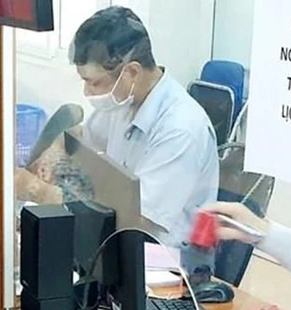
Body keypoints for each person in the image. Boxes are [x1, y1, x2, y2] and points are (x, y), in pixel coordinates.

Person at [17, 7, 219, 247]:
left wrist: (39, 192)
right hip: (114, 244)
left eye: (95, 82)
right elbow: (85, 134)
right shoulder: (126, 101)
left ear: (131, 72)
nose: (87, 92)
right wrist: (58, 146)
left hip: (163, 261)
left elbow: (136, 222)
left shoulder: (181, 129)